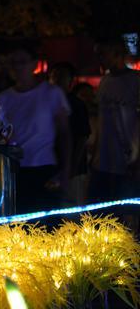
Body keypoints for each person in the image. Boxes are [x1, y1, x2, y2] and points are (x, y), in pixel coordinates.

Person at [0, 39, 71, 213]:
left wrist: (65, 171)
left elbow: (64, 134)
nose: (17, 67)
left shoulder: (51, 93)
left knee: (47, 226)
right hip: (12, 171)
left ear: (34, 63)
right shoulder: (2, 99)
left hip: (44, 167)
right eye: (12, 62)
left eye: (22, 62)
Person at [90, 39, 139, 206]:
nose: (101, 59)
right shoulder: (105, 81)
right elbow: (100, 120)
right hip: (103, 159)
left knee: (125, 210)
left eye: (104, 54)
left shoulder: (135, 81)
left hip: (128, 160)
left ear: (117, 53)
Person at [48, 62, 91, 204]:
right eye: (54, 76)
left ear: (71, 81)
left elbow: (82, 137)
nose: (56, 80)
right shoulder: (47, 103)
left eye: (61, 76)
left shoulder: (76, 104)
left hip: (74, 170)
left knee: (71, 211)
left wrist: (72, 168)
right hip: (52, 166)